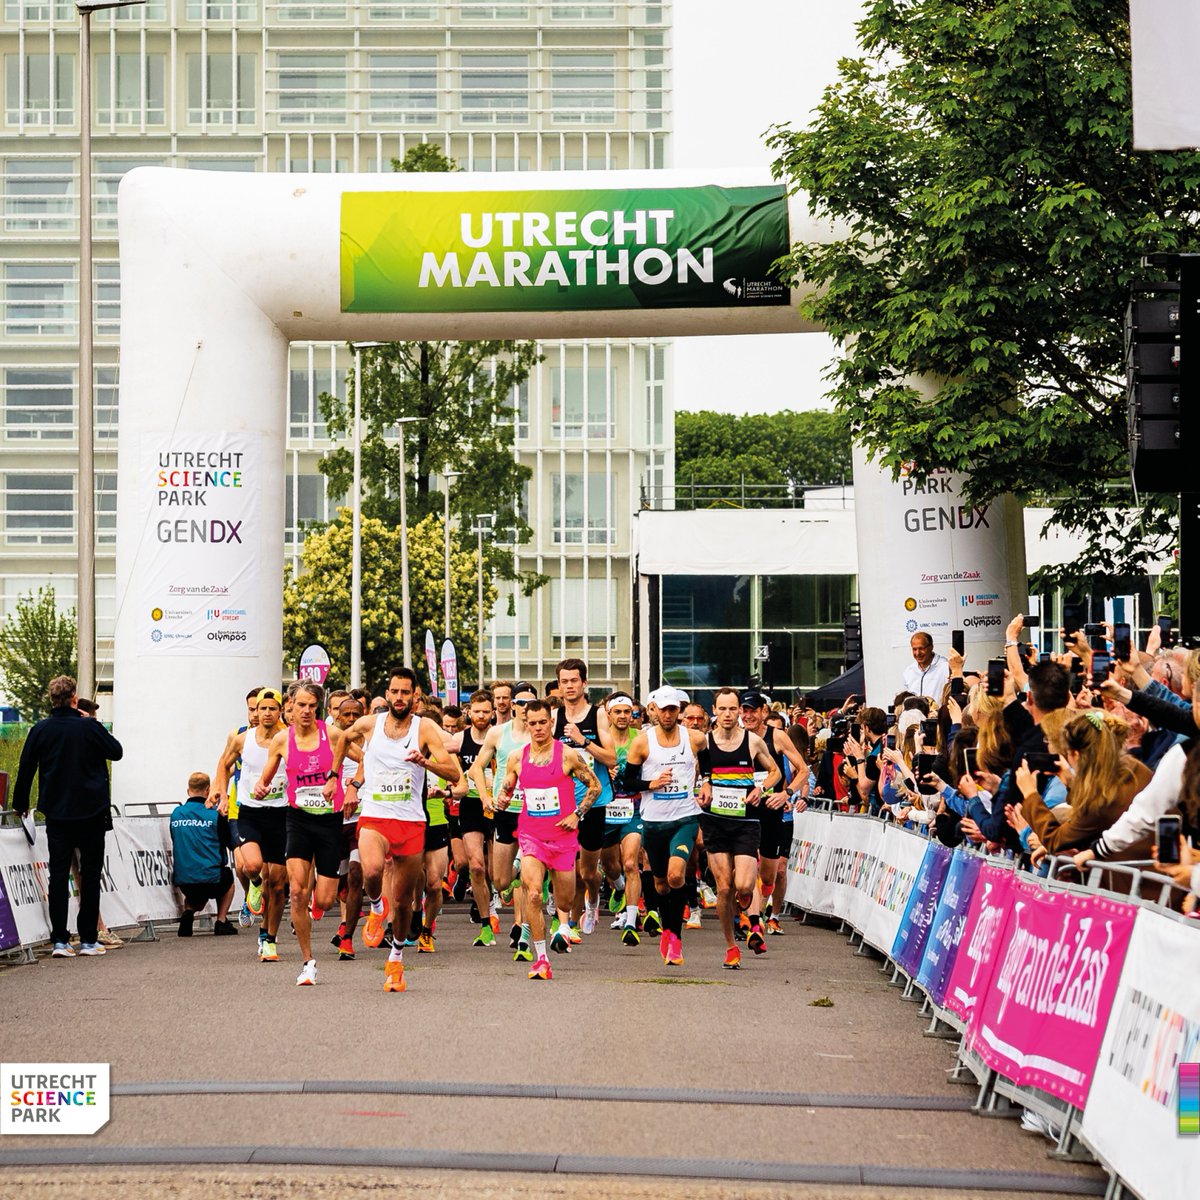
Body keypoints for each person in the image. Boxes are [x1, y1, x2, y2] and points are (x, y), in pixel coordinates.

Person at [331, 666, 460, 993]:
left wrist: (425, 762)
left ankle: (396, 959)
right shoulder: (369, 724)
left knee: (403, 903)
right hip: (375, 815)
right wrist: (338, 778)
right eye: (395, 692)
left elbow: (454, 773)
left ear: (415, 697)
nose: (399, 697)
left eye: (406, 692)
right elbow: (342, 737)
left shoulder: (425, 728)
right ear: (387, 694)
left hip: (411, 821)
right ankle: (375, 908)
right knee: (371, 870)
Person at [11, 675, 124, 959]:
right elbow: (116, 752)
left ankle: (60, 940)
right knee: (90, 873)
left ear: (52, 700)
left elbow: (26, 768)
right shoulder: (89, 727)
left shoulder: (41, 729)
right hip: (92, 813)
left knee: (58, 876)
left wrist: (20, 803)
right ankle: (88, 939)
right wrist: (94, 723)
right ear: (75, 699)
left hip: (59, 813)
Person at [253, 682, 353, 986]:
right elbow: (265, 779)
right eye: (301, 705)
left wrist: (351, 787)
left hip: (329, 822)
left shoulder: (332, 735)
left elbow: (366, 761)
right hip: (297, 820)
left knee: (323, 900)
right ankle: (308, 961)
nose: (307, 711)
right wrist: (261, 787)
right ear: (290, 708)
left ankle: (315, 908)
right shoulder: (283, 740)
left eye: (312, 706)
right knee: (296, 891)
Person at [493, 699, 601, 981]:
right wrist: (502, 799)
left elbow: (595, 786)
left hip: (563, 837)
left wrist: (577, 814)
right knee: (533, 893)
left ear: (551, 723)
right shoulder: (517, 757)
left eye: (543, 722)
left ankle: (562, 924)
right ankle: (541, 958)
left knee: (563, 902)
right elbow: (507, 787)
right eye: (533, 723)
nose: (539, 727)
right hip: (531, 835)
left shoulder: (566, 755)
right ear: (525, 724)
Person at [621, 686, 709, 966]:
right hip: (654, 821)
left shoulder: (694, 738)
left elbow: (708, 760)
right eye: (664, 709)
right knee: (660, 885)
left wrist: (706, 780)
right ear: (654, 711)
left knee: (675, 876)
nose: (669, 714)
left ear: (679, 710)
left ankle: (675, 937)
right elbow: (627, 782)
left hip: (684, 818)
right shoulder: (643, 743)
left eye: (673, 709)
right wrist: (651, 784)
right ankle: (666, 930)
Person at [704, 688, 781, 968]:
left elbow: (776, 772)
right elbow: (695, 775)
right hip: (714, 822)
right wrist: (703, 785)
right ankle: (730, 946)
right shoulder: (704, 743)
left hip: (746, 822)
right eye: (722, 709)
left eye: (732, 709)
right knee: (724, 888)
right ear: (714, 710)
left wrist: (761, 788)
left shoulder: (752, 742)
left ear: (739, 712)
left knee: (744, 885)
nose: (727, 714)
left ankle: (748, 907)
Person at [212, 689, 288, 962]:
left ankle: (269, 937)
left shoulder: (289, 739)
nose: (264, 713)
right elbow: (224, 762)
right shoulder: (242, 739)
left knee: (278, 885)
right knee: (252, 866)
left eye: (270, 708)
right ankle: (254, 884)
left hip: (281, 815)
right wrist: (219, 789)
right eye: (259, 708)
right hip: (249, 813)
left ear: (280, 711)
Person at [470, 682, 536, 959]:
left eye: (529, 704)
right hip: (504, 810)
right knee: (501, 880)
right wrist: (485, 797)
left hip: (534, 812)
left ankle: (522, 929)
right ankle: (519, 865)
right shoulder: (498, 733)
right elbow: (476, 768)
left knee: (529, 880)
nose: (523, 709)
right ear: (512, 706)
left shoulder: (542, 734)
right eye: (519, 703)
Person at [553, 658, 617, 939]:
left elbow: (612, 757)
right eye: (564, 681)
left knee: (587, 871)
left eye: (574, 680)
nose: (569, 686)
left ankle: (593, 899)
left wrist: (582, 741)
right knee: (564, 866)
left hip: (593, 803)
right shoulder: (554, 717)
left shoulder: (598, 715)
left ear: (584, 683)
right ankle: (565, 923)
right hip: (561, 803)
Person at [170, 772, 237, 937]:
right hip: (212, 878)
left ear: (188, 791)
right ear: (208, 791)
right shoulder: (215, 815)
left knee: (196, 898)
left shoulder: (176, 814)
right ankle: (221, 921)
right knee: (228, 879)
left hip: (184, 880)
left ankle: (188, 913)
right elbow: (229, 842)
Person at [602, 693, 645, 945]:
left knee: (630, 863)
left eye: (626, 712)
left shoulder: (640, 739)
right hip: (606, 808)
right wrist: (603, 767)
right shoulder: (600, 739)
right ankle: (619, 888)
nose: (622, 716)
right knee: (610, 865)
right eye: (617, 712)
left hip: (633, 806)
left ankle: (631, 920)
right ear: (608, 714)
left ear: (632, 715)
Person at [902, 632, 950, 700]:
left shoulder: (946, 667)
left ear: (931, 647)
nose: (918, 653)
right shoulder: (908, 671)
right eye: (914, 649)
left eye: (921, 648)